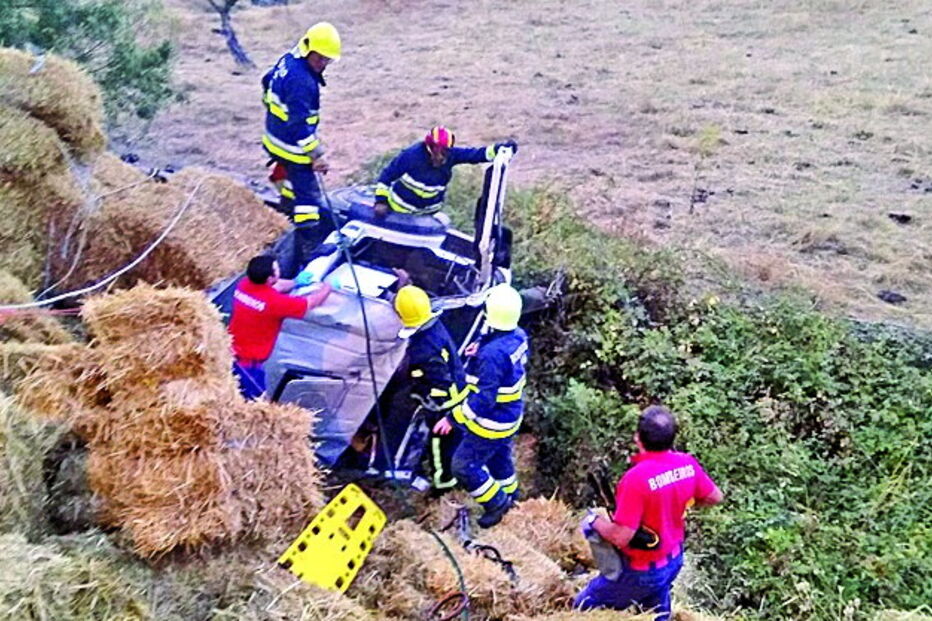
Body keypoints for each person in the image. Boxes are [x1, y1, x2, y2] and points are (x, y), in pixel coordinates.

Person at [574, 405, 724, 620]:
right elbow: (715, 497)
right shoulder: (687, 464)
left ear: (638, 438)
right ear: (673, 437)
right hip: (673, 560)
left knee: (582, 606)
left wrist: (593, 521)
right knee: (656, 613)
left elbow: (620, 536)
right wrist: (683, 503)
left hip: (640, 570)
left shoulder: (636, 479)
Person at [442, 283, 527, 528]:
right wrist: (481, 345)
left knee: (463, 466)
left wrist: (453, 418)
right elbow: (500, 349)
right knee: (499, 457)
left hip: (492, 422)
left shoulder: (492, 356)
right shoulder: (518, 335)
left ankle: (497, 502)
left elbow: (484, 399)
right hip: (510, 416)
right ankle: (512, 493)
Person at [261, 22, 342, 270]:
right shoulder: (302, 82)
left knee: (290, 184)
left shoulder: (289, 59)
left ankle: (286, 208)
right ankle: (309, 248)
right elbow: (299, 127)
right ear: (310, 50)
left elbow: (266, 81)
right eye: (321, 58)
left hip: (274, 137)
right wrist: (316, 156)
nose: (324, 64)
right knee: (309, 197)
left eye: (327, 60)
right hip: (291, 146)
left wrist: (274, 110)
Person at [392, 285, 467, 490]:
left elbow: (441, 382)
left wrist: (441, 411)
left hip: (444, 404)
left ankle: (443, 484)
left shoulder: (421, 350)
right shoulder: (436, 327)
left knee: (439, 446)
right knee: (456, 440)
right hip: (460, 390)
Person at [228, 255, 332, 399]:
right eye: (277, 269)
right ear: (269, 278)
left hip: (230, 352)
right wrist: (328, 287)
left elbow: (276, 286)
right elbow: (311, 302)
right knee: (254, 401)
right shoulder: (275, 303)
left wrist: (296, 282)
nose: (280, 270)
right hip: (249, 364)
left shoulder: (244, 285)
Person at [373, 126, 517, 217]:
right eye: (439, 151)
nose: (442, 156)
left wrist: (500, 149)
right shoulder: (411, 156)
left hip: (427, 217)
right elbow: (386, 176)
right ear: (430, 147)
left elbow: (477, 154)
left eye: (446, 151)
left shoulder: (451, 156)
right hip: (400, 213)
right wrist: (381, 202)